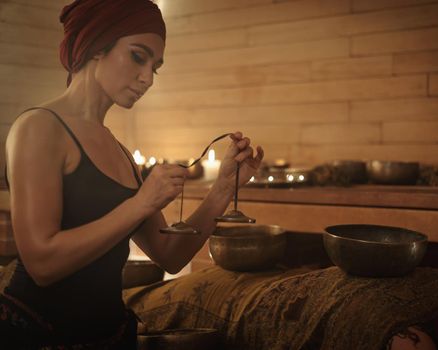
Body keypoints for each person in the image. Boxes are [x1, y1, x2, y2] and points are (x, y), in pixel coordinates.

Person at [0, 0, 264, 348]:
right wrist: (139, 204)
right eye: (138, 57)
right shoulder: (39, 128)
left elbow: (169, 254)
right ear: (96, 46)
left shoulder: (119, 151)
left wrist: (222, 190)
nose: (148, 78)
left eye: (156, 66)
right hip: (36, 333)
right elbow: (42, 263)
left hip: (109, 335)